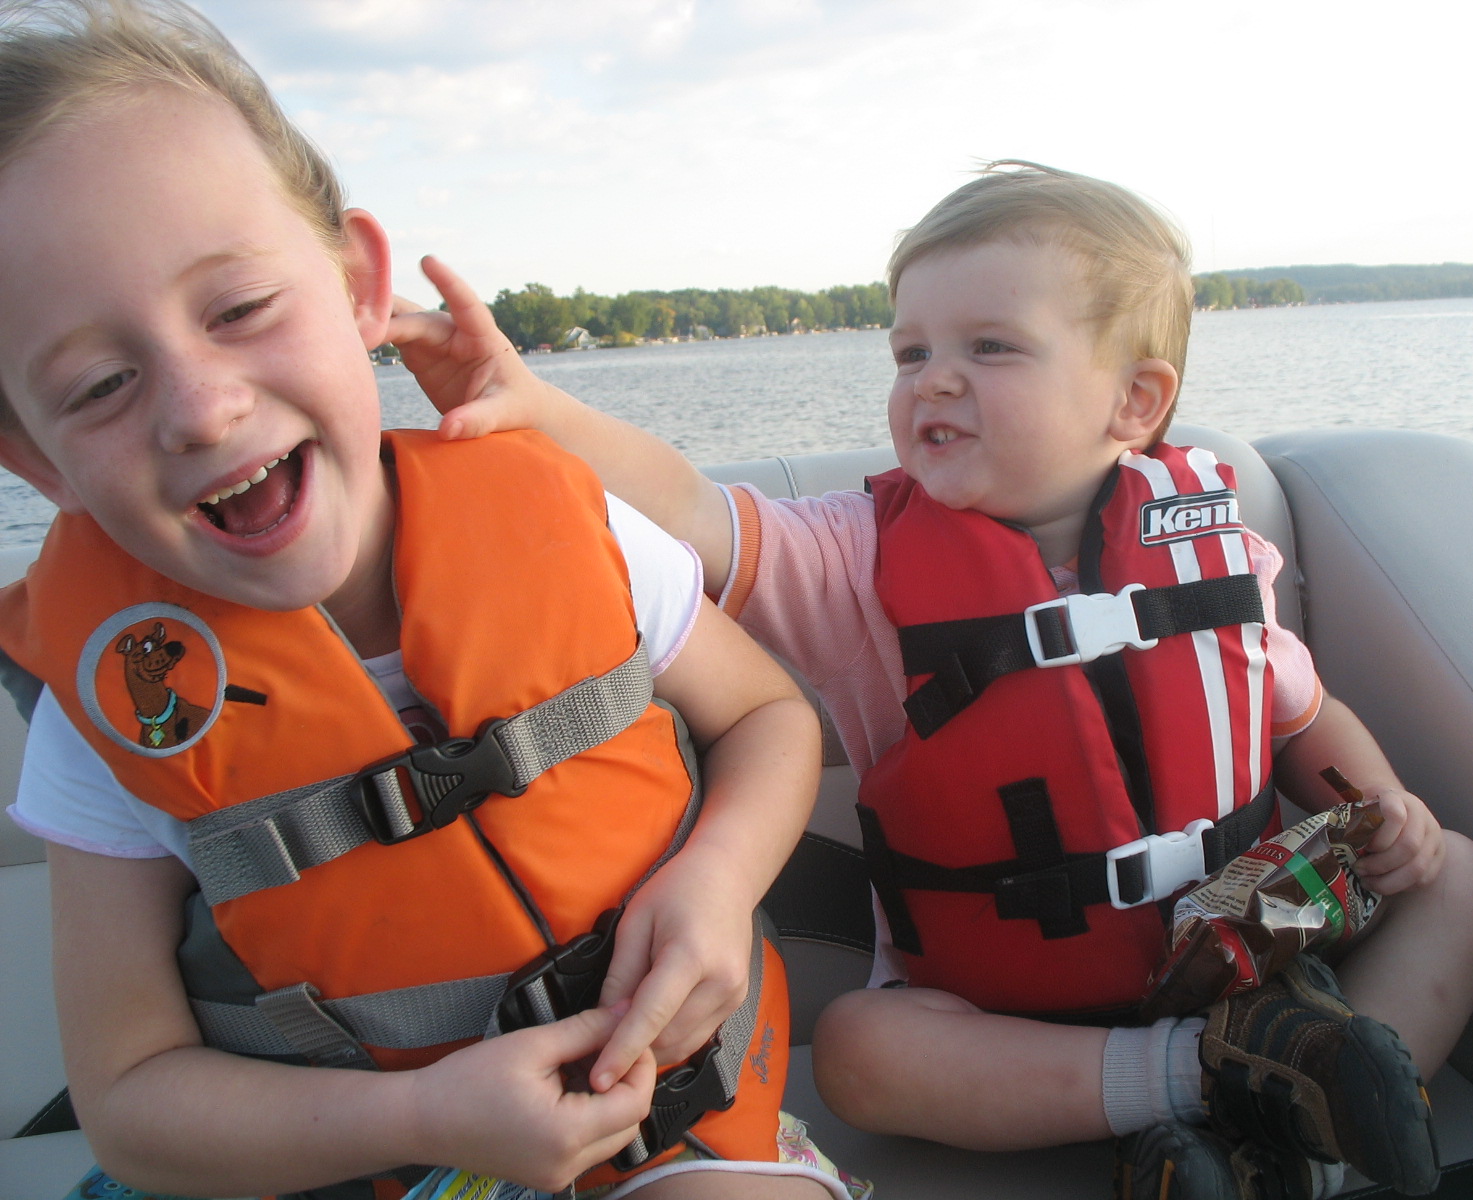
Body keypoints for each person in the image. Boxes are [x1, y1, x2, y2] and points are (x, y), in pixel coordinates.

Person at [407, 161, 1473, 1200]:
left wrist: (1387, 812)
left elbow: (1299, 709)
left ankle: (1299, 1125)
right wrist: (535, 406)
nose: (932, 377)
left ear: (1134, 401)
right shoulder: (853, 564)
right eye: (907, 353)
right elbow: (695, 515)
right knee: (862, 1053)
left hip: (1251, 951)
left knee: (1463, 880)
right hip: (1007, 1018)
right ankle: (1220, 1091)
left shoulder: (1207, 544)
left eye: (989, 347)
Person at [0, 3, 869, 1198]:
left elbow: (772, 718)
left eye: (241, 309)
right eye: (99, 383)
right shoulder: (112, 712)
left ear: (361, 287)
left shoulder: (570, 527)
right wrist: (419, 1113)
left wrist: (715, 880)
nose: (199, 409)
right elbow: (132, 1103)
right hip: (348, 1165)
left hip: (656, 1134)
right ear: (36, 459)